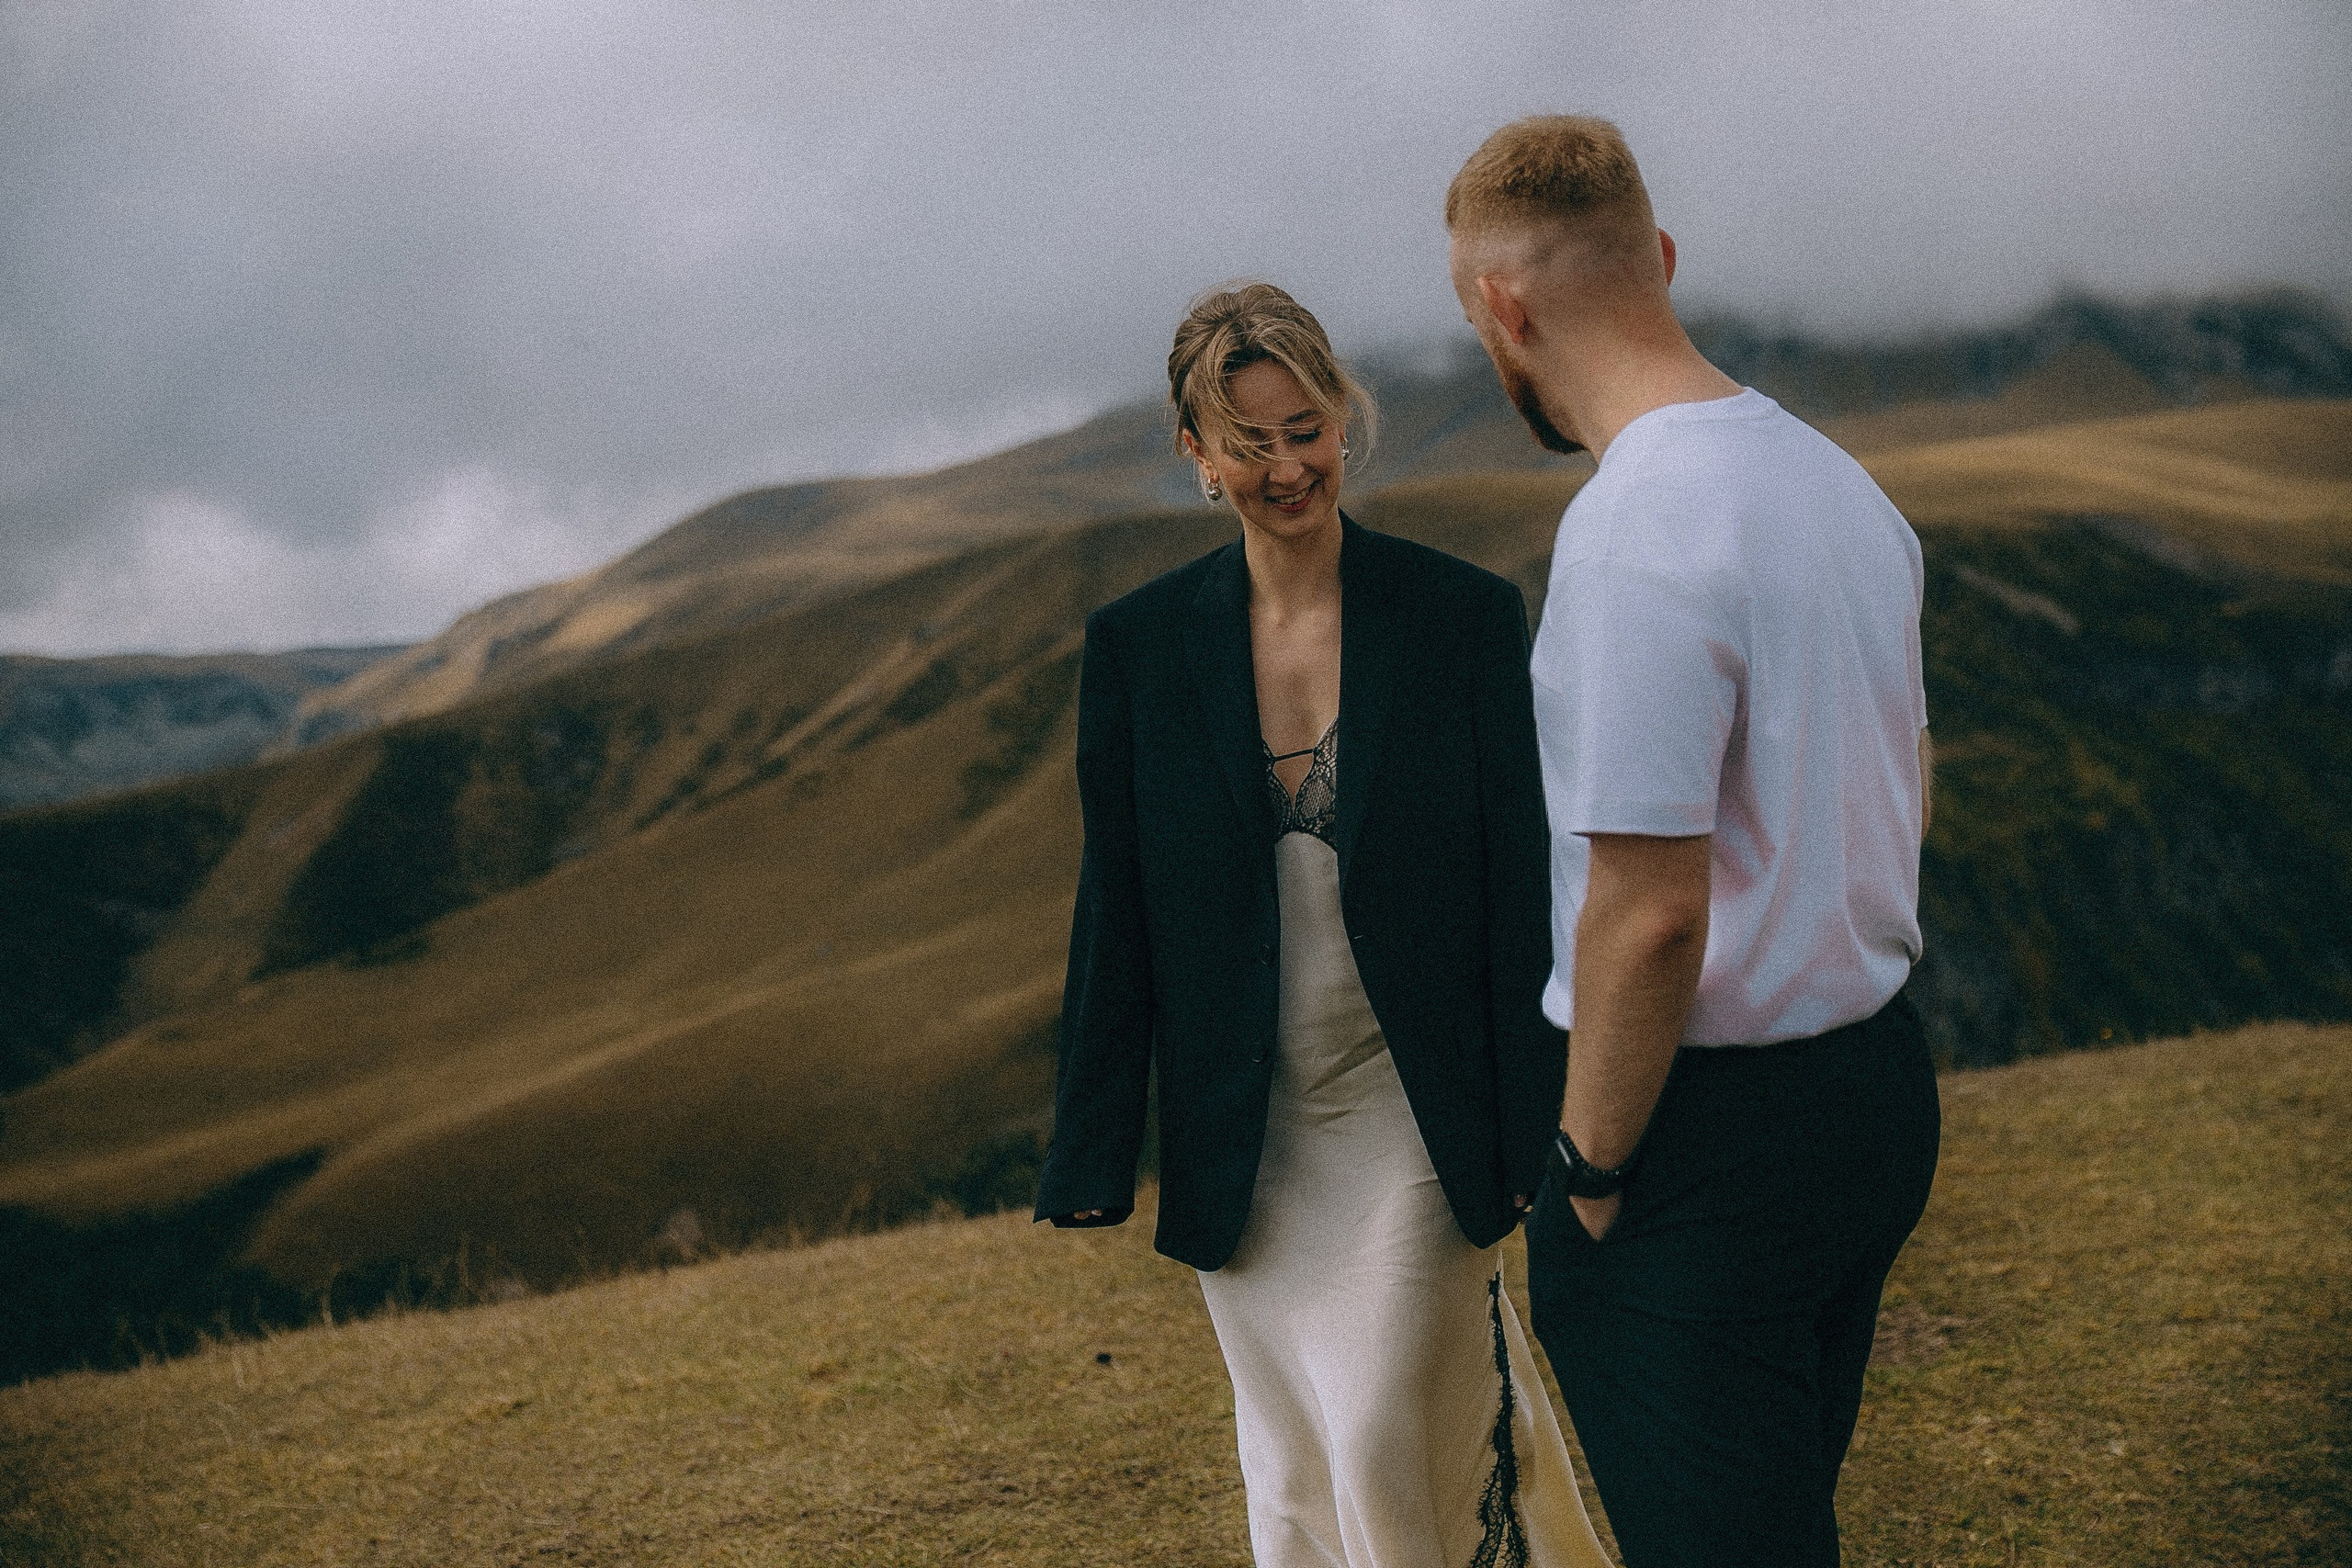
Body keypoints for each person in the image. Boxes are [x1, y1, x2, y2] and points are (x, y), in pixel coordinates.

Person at [1035, 282, 1611, 1568]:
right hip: (1246, 1142)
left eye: (1310, 428)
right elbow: (1115, 902)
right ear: (1196, 450)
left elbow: (1518, 889)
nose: (1290, 466)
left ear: (1345, 416)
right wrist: (1089, 1151)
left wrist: (1537, 1127)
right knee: (1295, 1469)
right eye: (1253, 443)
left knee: (1370, 1434)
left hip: (1416, 1112)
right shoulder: (1138, 648)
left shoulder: (1455, 618)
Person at [1444, 117, 1942, 1567]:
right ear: (1657, 258)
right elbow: (1904, 778)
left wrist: (1589, 1166)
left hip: (1697, 1140)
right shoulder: (1843, 487)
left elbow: (1649, 910)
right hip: (1873, 1090)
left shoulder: (1637, 525)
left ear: (1501, 308)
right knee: (1779, 1514)